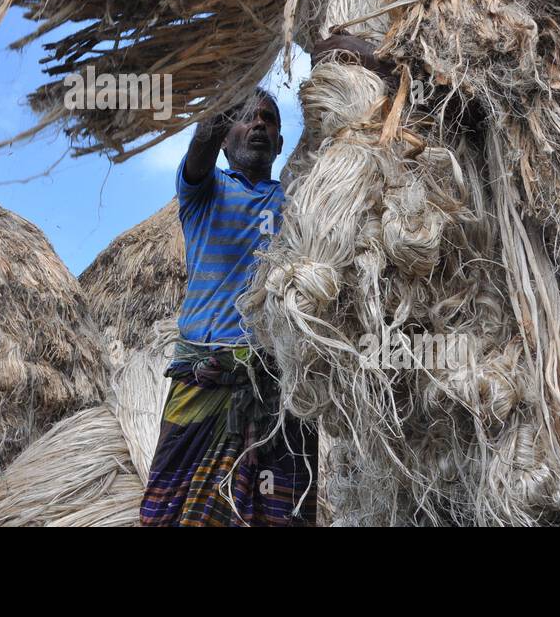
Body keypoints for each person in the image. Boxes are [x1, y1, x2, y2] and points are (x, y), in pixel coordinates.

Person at [139, 33, 387, 527]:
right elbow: (203, 138)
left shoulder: (298, 197)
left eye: (268, 120)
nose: (255, 124)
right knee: (171, 512)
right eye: (245, 118)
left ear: (279, 142)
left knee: (282, 515)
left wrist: (340, 55)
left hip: (280, 387)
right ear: (227, 138)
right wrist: (246, 61)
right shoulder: (202, 191)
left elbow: (343, 130)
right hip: (204, 379)